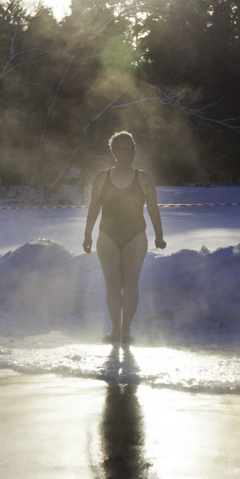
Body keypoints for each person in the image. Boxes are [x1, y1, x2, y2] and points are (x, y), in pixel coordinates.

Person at [82, 132, 166, 344]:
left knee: (130, 285)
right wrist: (87, 234)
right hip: (107, 236)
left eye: (131, 148)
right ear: (113, 152)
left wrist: (159, 235)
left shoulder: (144, 178)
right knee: (112, 285)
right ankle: (115, 329)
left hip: (135, 236)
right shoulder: (101, 177)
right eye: (123, 149)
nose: (128, 153)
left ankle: (125, 331)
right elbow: (94, 208)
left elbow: (154, 209)